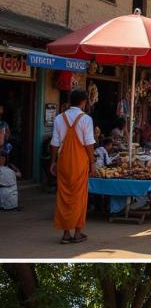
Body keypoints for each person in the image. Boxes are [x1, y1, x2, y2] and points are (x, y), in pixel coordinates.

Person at [51, 89, 95, 245]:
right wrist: (92, 162)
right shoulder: (86, 119)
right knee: (79, 197)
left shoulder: (58, 118)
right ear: (83, 102)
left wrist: (53, 161)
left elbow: (55, 142)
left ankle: (65, 234)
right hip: (80, 162)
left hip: (63, 161)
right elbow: (89, 143)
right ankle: (77, 233)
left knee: (63, 196)